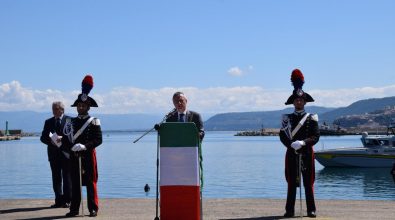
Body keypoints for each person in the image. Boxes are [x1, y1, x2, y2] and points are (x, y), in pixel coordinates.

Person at [279, 69, 320, 218]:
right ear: (293, 102)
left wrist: (303, 142)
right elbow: (282, 135)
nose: (298, 102)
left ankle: (311, 210)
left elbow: (316, 136)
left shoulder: (312, 118)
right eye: (296, 100)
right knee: (291, 183)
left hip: (307, 153)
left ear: (304, 102)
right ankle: (289, 210)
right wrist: (291, 144)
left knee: (308, 183)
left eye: (301, 100)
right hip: (292, 153)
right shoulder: (286, 118)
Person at [65, 75, 102, 217]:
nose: (81, 107)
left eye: (83, 106)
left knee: (91, 182)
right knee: (75, 183)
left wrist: (85, 146)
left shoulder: (94, 121)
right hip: (74, 155)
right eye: (79, 105)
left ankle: (93, 208)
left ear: (88, 107)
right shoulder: (70, 122)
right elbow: (66, 139)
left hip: (88, 155)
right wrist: (71, 147)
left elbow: (98, 140)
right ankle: (74, 209)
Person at [40, 101, 72, 208]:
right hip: (53, 155)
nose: (54, 111)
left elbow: (73, 137)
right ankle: (58, 201)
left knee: (67, 178)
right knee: (56, 178)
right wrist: (51, 141)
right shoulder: (48, 122)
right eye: (53, 109)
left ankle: (67, 201)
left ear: (62, 110)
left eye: (56, 108)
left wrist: (63, 139)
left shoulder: (69, 120)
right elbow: (43, 137)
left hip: (66, 154)